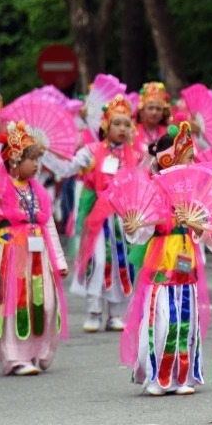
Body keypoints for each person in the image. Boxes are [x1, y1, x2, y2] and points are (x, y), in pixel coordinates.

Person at [0, 121, 69, 375]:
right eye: (31, 159)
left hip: (38, 255)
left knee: (45, 304)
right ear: (13, 160)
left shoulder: (39, 191)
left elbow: (48, 227)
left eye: (38, 159)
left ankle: (36, 351)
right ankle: (15, 358)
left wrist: (59, 261)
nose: (36, 164)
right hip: (11, 254)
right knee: (15, 305)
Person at [120, 122, 210, 396]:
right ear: (171, 159)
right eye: (189, 157)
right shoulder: (152, 189)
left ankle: (184, 376)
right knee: (159, 319)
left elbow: (205, 228)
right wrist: (135, 228)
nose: (195, 161)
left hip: (186, 258)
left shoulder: (195, 192)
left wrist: (195, 223)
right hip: (161, 260)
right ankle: (156, 376)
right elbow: (143, 230)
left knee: (187, 318)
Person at [47, 96, 141, 333]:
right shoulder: (91, 151)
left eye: (126, 123)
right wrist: (45, 152)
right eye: (117, 123)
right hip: (98, 216)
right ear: (105, 126)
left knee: (122, 262)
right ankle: (94, 310)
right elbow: (66, 168)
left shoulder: (136, 156)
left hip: (124, 217)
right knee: (98, 261)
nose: (122, 128)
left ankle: (115, 314)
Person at [134, 82, 171, 150]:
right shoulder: (132, 132)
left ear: (163, 112)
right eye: (150, 108)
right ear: (142, 111)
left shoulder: (168, 133)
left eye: (158, 109)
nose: (154, 112)